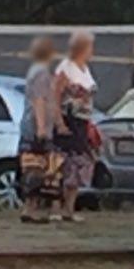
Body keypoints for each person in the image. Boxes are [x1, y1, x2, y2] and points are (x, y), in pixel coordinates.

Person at [54, 31, 99, 223]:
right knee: (62, 164)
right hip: (68, 119)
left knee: (80, 164)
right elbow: (55, 96)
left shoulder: (85, 69)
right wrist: (59, 122)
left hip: (82, 121)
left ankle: (69, 208)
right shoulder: (66, 67)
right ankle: (56, 206)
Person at [19, 38, 63, 224]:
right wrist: (42, 128)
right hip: (36, 126)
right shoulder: (42, 74)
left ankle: (30, 207)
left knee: (32, 166)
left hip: (31, 125)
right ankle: (30, 208)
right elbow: (39, 101)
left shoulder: (33, 71)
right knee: (38, 167)